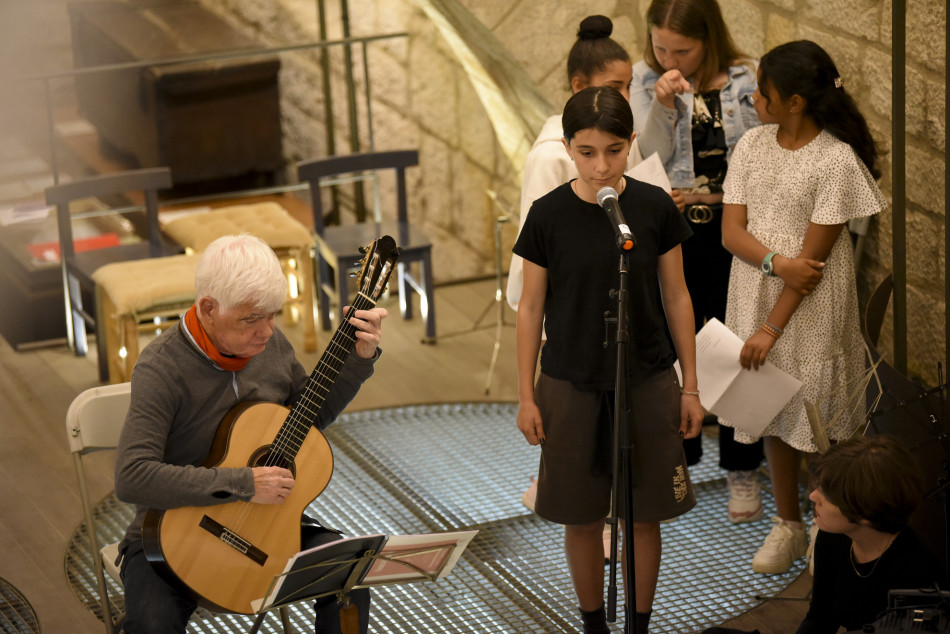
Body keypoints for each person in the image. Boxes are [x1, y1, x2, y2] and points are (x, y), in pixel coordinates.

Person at [114, 234, 387, 633]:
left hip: (266, 525)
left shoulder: (270, 344)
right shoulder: (161, 368)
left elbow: (306, 420)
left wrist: (360, 360)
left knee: (350, 574)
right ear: (208, 308)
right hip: (169, 533)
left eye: (273, 314)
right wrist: (243, 482)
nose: (266, 331)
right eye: (250, 319)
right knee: (153, 624)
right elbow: (132, 476)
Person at [514, 85, 703, 634]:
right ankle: (593, 623)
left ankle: (639, 626)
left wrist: (690, 386)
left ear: (632, 144)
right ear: (568, 147)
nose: (601, 165)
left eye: (614, 151)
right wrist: (526, 395)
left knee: (644, 516)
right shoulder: (547, 216)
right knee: (580, 514)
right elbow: (530, 309)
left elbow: (677, 297)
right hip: (569, 381)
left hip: (645, 375)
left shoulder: (650, 207)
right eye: (588, 152)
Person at [720, 40, 887, 574]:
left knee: (816, 419)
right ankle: (787, 524)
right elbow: (730, 232)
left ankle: (826, 527)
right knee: (768, 409)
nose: (753, 102)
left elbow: (811, 267)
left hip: (806, 310)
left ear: (794, 101)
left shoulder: (835, 161)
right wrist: (774, 264)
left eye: (762, 93)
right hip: (758, 290)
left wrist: (772, 326)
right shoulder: (751, 146)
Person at [630, 0, 765, 521]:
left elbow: (755, 159)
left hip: (731, 231)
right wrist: (663, 105)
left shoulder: (742, 79)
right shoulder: (646, 79)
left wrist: (711, 198)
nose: (670, 58)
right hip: (673, 236)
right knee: (674, 346)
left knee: (735, 347)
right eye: (660, 46)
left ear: (709, 40)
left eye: (681, 50)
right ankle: (679, 462)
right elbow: (648, 159)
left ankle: (742, 468)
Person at [507, 14, 680, 318]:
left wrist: (659, 206)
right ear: (579, 85)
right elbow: (536, 247)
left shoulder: (621, 138)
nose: (625, 96)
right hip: (570, 306)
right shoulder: (549, 157)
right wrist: (545, 329)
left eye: (629, 86)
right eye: (616, 86)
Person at [800, 435, 948, 632]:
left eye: (827, 495)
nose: (812, 496)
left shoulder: (919, 573)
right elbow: (820, 617)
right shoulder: (833, 536)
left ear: (865, 514)